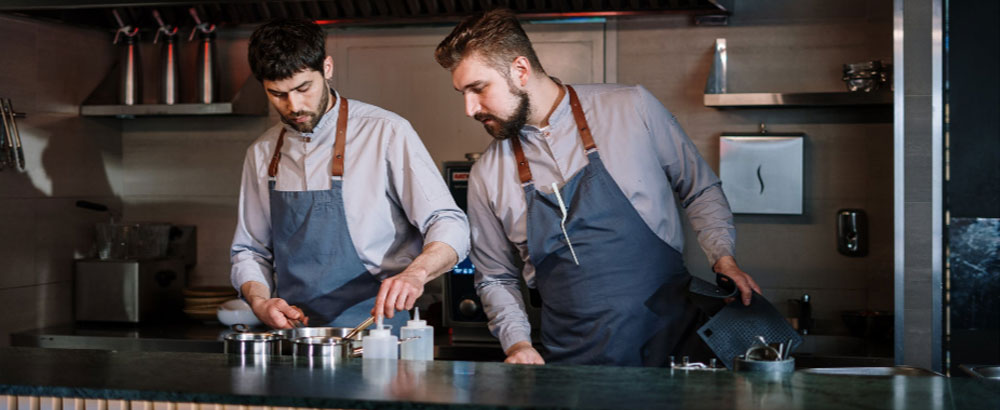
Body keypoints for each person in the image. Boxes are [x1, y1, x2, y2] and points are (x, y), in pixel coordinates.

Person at [434, 9, 761, 366]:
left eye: (478, 89)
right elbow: (495, 278)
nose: (469, 108)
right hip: (573, 368)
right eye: (461, 93)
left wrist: (723, 256)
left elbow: (700, 188)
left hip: (676, 356)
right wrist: (517, 345)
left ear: (520, 70)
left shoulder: (632, 107)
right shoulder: (487, 174)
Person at [231, 19, 469, 332]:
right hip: (298, 338)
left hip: (379, 332)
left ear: (326, 68)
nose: (294, 106)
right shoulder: (262, 153)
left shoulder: (385, 132)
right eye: (277, 94)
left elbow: (449, 222)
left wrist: (416, 274)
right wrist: (260, 300)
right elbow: (249, 250)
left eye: (304, 88)